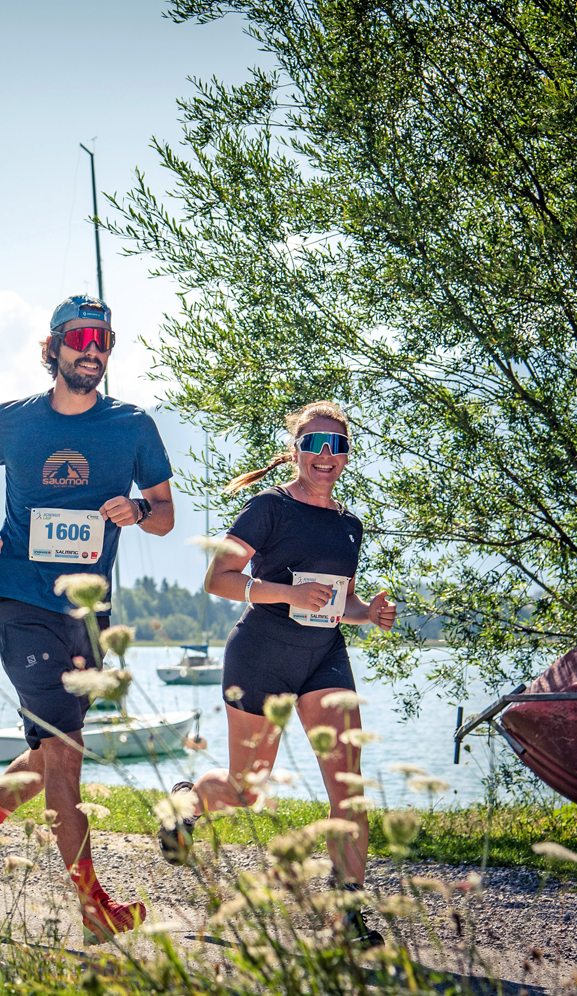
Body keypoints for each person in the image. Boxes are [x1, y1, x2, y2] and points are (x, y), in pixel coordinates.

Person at [0, 294, 175, 941]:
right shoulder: (12, 421)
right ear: (53, 347)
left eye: (102, 338)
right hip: (22, 599)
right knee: (67, 759)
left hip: (89, 612)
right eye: (79, 337)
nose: (92, 348)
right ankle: (92, 907)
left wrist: (137, 510)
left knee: (50, 753)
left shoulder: (133, 426)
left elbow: (165, 514)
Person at [168, 400, 394, 944]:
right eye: (313, 444)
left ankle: (347, 916)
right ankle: (186, 802)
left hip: (323, 657)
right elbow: (218, 579)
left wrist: (370, 613)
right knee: (247, 790)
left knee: (349, 791)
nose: (325, 455)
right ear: (295, 451)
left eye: (335, 446)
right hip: (261, 654)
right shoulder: (267, 508)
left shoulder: (349, 526)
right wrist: (287, 592)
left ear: (346, 456)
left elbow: (343, 602)